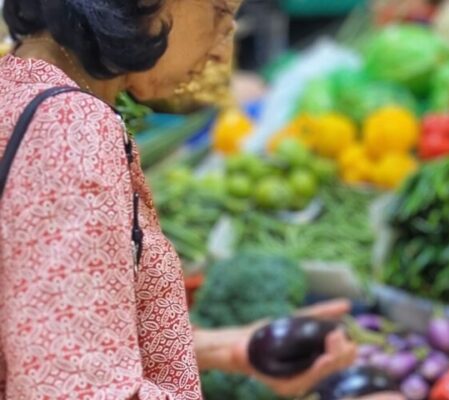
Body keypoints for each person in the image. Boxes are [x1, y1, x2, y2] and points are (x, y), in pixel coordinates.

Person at [0, 0, 405, 399]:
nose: (221, 50)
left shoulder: (20, 87)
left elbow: (55, 339)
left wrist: (223, 349)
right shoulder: (74, 131)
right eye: (221, 14)